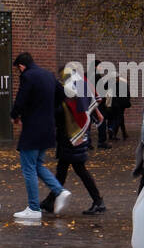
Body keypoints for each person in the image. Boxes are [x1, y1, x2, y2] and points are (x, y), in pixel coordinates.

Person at [9, 52, 70, 222]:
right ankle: (60, 191)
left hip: (32, 129)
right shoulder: (48, 75)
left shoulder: (28, 76)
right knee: (37, 165)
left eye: (18, 69)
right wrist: (48, 110)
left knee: (28, 168)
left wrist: (15, 115)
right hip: (48, 128)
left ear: (21, 66)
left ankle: (34, 208)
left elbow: (21, 98)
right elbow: (63, 94)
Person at [42, 66, 106, 216]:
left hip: (71, 136)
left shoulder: (70, 91)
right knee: (64, 170)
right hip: (77, 135)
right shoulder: (82, 86)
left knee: (77, 170)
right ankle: (50, 200)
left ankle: (98, 201)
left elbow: (62, 112)